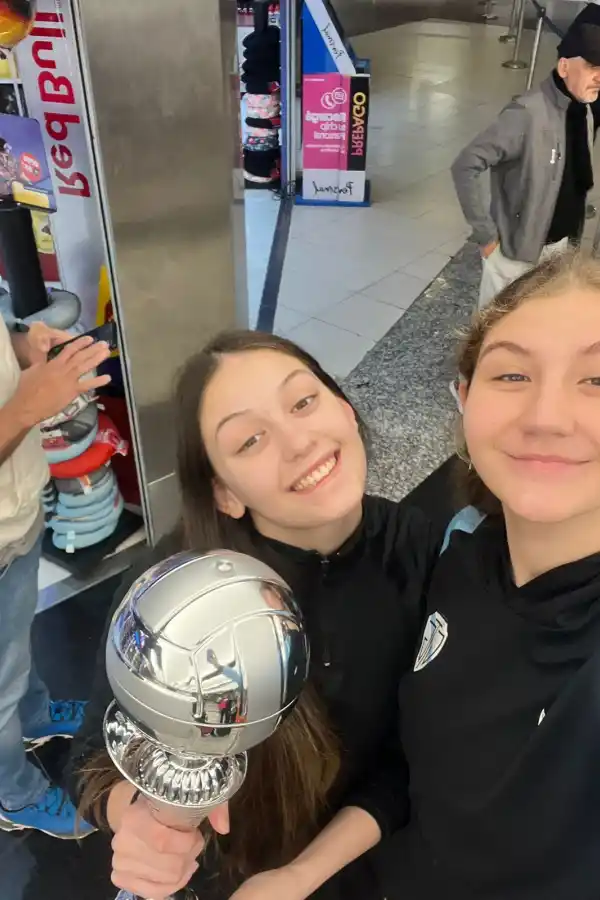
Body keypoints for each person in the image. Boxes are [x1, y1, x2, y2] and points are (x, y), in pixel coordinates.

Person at [68, 330, 442, 900]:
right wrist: (140, 821)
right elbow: (91, 759)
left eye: (303, 402)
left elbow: (412, 757)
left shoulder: (425, 551)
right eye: (250, 441)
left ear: (343, 405)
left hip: (358, 865)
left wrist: (301, 876)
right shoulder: (173, 593)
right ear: (224, 494)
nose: (299, 443)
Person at [378, 250, 600, 899]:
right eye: (511, 375)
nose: (546, 417)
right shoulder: (458, 546)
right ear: (464, 397)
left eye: (598, 380)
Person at [0, 316, 110, 838]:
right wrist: (26, 405)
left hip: (15, 517)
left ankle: (37, 714)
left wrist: (19, 345)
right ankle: (13, 793)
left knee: (16, 646)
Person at [451, 10, 600, 309]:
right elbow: (465, 164)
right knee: (494, 331)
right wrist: (487, 237)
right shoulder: (527, 113)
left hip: (557, 251)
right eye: (593, 66)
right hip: (513, 256)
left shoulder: (582, 111)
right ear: (564, 67)